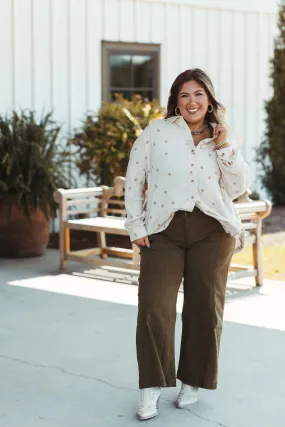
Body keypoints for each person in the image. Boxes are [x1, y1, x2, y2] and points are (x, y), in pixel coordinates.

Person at [124, 68, 250, 421]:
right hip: (163, 229)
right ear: (175, 101)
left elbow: (238, 187)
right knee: (153, 307)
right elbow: (135, 179)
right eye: (184, 95)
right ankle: (150, 387)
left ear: (209, 99)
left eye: (198, 94)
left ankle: (191, 381)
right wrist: (135, 226)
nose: (192, 101)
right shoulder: (156, 133)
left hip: (212, 230)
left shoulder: (221, 137)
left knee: (204, 309)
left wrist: (224, 145)